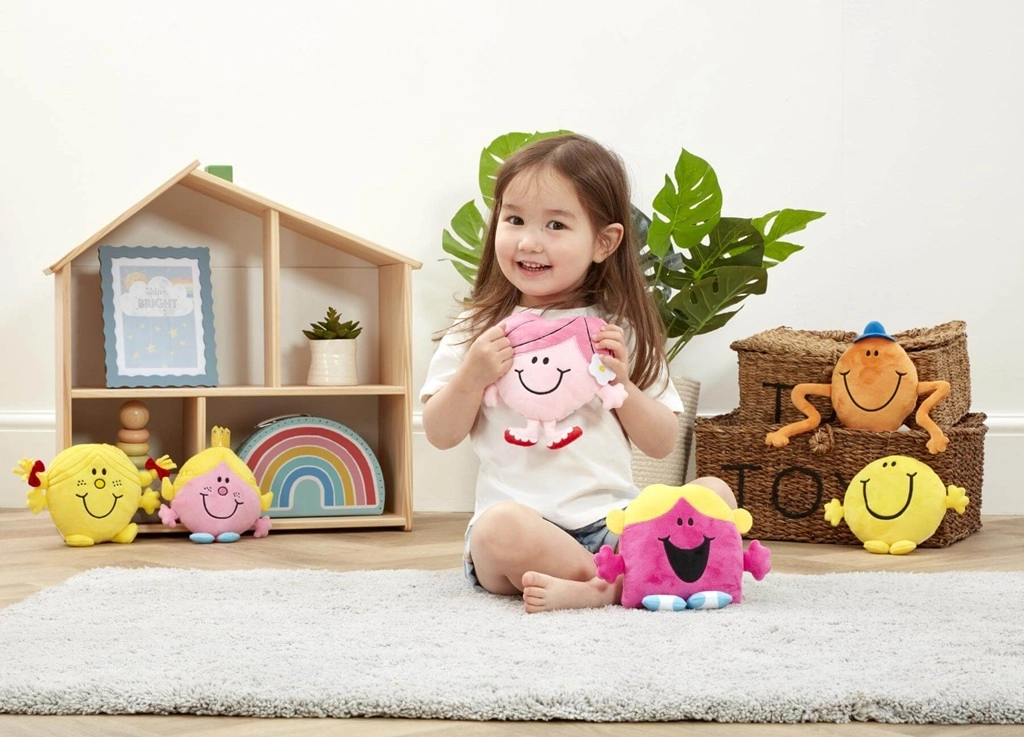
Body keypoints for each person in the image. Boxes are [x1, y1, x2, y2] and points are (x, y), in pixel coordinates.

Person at [420, 133, 736, 613]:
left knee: (714, 494)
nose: (529, 241)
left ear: (604, 242)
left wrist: (622, 385)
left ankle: (606, 583)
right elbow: (440, 434)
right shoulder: (477, 330)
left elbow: (661, 442)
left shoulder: (617, 330)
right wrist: (472, 376)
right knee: (497, 528)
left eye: (555, 225)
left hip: (612, 525)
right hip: (524, 535)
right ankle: (632, 580)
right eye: (514, 219)